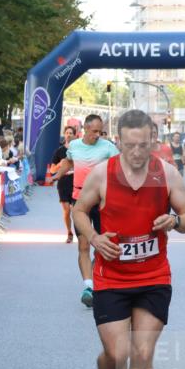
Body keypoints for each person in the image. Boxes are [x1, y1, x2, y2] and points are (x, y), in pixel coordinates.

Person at [73, 110, 185, 369]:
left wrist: (174, 221)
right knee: (117, 354)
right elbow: (79, 211)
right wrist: (95, 238)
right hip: (111, 277)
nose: (138, 152)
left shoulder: (167, 174)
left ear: (153, 140)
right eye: (130, 145)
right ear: (118, 142)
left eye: (144, 145)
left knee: (142, 353)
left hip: (154, 275)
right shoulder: (103, 175)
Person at [49, 114, 120, 307]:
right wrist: (56, 176)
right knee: (83, 245)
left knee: (101, 245)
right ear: (86, 130)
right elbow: (68, 162)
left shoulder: (108, 148)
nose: (98, 135)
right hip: (80, 201)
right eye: (94, 131)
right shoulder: (74, 146)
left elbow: (121, 167)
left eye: (100, 131)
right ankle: (88, 286)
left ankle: (98, 279)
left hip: (102, 201)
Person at [47, 125, 77, 243]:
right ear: (64, 135)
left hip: (76, 181)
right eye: (67, 133)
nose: (69, 135)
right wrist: (60, 164)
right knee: (66, 211)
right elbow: (52, 170)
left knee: (75, 211)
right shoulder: (59, 151)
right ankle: (69, 232)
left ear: (75, 135)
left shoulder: (79, 149)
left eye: (71, 133)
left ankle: (80, 233)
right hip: (63, 181)